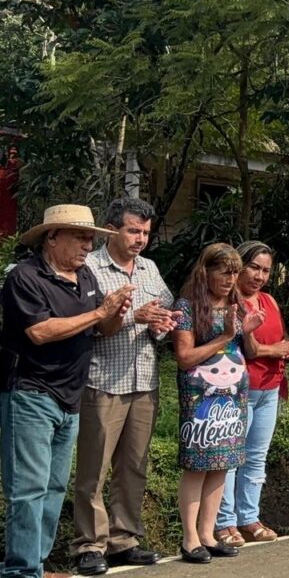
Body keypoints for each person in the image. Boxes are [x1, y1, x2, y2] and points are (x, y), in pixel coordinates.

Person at [2, 204, 131, 578]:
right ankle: (22, 570)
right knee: (28, 489)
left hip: (69, 395)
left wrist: (116, 313)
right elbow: (39, 332)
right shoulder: (24, 277)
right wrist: (98, 312)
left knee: (56, 486)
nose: (88, 246)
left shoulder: (86, 277)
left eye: (91, 238)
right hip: (30, 392)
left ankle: (35, 565)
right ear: (52, 237)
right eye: (80, 237)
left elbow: (100, 329)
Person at [72, 198, 176, 575]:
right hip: (103, 379)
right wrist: (136, 315)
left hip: (144, 379)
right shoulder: (90, 269)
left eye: (146, 232)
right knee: (94, 469)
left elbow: (163, 311)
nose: (141, 239)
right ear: (112, 228)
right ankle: (89, 544)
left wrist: (163, 322)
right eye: (133, 230)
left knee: (133, 465)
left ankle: (124, 539)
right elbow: (89, 322)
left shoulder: (149, 267)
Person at [172, 243, 264, 563]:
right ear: (206, 272)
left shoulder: (236, 302)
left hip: (234, 395)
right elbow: (184, 357)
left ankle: (210, 534)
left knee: (222, 465)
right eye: (224, 272)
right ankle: (190, 538)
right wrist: (225, 335)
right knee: (198, 466)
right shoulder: (187, 307)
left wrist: (247, 331)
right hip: (201, 397)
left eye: (235, 273)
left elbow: (249, 352)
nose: (230, 279)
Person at [214, 242, 289, 546]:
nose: (260, 276)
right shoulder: (230, 301)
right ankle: (224, 521)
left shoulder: (269, 301)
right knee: (230, 458)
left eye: (266, 270)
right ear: (240, 266)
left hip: (270, 387)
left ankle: (248, 517)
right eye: (254, 267)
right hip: (240, 388)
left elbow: (281, 337)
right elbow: (247, 348)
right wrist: (275, 350)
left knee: (256, 457)